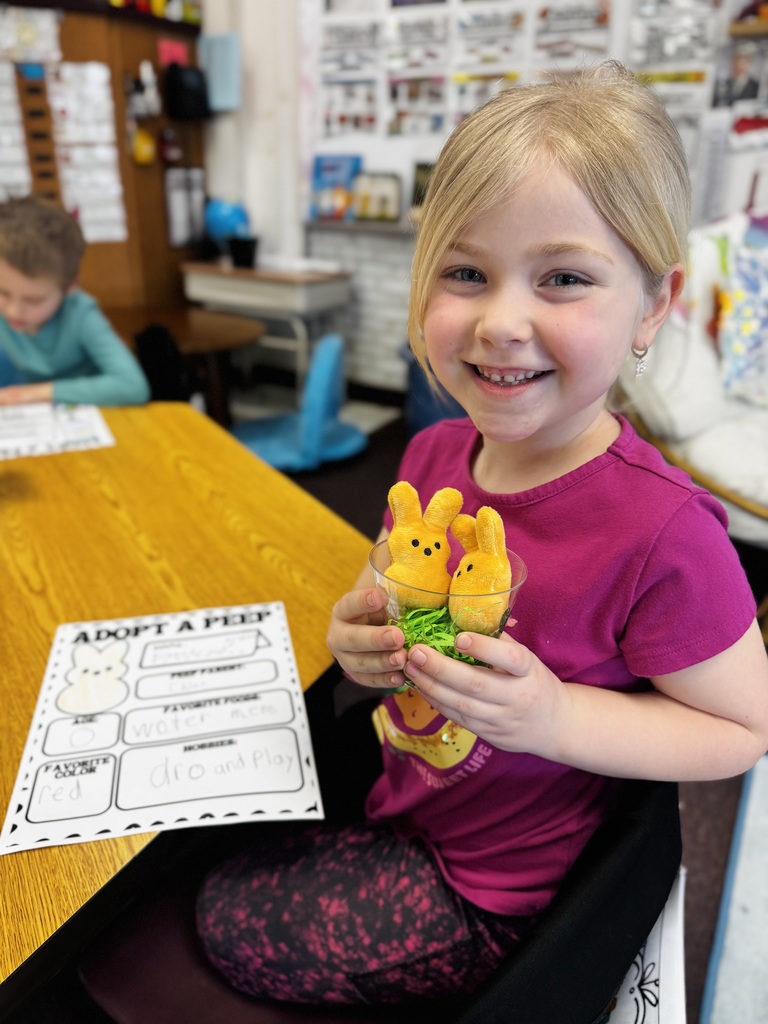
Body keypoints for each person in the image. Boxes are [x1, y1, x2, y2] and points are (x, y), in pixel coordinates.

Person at [195, 62, 768, 1007]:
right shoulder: (429, 452)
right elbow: (389, 577)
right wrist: (358, 630)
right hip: (410, 787)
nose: (501, 322)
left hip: (488, 886)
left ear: (653, 305)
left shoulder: (667, 533)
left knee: (216, 916)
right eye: (466, 272)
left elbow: (741, 729)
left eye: (565, 278)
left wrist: (556, 718)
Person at [0, 195, 150, 406]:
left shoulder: (81, 314)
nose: (13, 312)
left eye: (34, 300)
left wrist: (33, 393)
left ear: (70, 287)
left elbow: (133, 387)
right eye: (3, 293)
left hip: (94, 414)